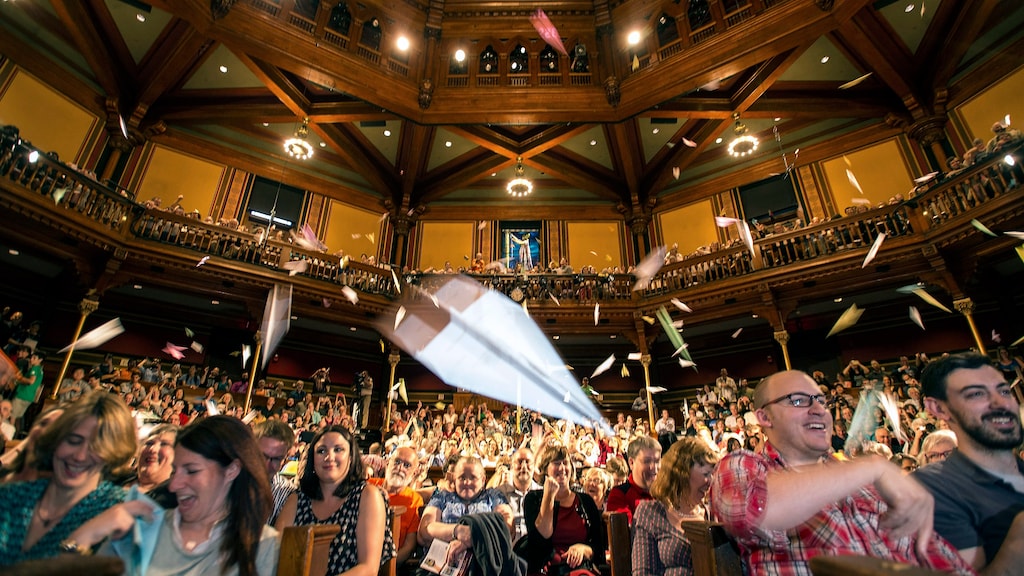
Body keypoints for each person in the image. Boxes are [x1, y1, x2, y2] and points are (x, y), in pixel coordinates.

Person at [709, 370, 973, 575]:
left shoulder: (865, 483)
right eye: (799, 400)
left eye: (822, 401)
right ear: (764, 418)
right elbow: (752, 512)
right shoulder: (743, 466)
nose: (819, 410)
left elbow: (933, 552)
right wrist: (873, 466)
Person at [68, 416, 280, 576]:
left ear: (232, 470)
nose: (174, 486)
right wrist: (87, 535)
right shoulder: (141, 526)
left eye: (192, 471)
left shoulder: (263, 545)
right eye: (175, 470)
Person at [916, 353, 1024, 575]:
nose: (1001, 403)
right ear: (938, 408)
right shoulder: (932, 488)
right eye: (976, 394)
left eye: (1004, 391)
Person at [0, 391, 136, 565]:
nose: (80, 456)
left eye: (96, 447)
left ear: (114, 453)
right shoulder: (12, 495)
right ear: (55, 440)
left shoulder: (118, 511)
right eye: (73, 440)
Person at [276, 425, 394, 575]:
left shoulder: (367, 496)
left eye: (338, 450)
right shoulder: (297, 499)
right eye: (321, 451)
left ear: (351, 458)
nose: (329, 457)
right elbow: (275, 555)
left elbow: (368, 569)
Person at [632, 437, 718, 576]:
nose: (710, 481)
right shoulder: (651, 512)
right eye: (706, 474)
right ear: (682, 473)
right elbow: (643, 572)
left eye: (712, 474)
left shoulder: (712, 514)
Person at [521, 444, 606, 576]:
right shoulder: (533, 499)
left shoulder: (585, 501)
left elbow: (598, 549)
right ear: (546, 469)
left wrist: (584, 549)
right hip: (546, 570)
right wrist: (549, 496)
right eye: (556, 463)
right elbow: (540, 539)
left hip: (580, 570)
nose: (562, 468)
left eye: (565, 463)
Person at [418, 456, 513, 547]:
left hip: (482, 558)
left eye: (473, 478)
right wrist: (458, 531)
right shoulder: (442, 497)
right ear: (455, 479)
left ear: (483, 480)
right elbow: (425, 530)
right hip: (443, 558)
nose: (467, 482)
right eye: (462, 478)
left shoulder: (493, 496)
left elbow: (506, 528)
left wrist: (470, 541)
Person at [368, 445, 424, 564]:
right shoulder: (368, 486)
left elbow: (409, 547)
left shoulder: (414, 500)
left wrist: (386, 566)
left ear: (414, 473)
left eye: (407, 465)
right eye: (397, 461)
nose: (400, 468)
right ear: (387, 464)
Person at [605, 435, 660, 523]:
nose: (654, 467)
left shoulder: (665, 494)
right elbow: (628, 533)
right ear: (631, 463)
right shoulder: (619, 494)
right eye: (647, 461)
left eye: (657, 461)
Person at [253, 418, 295, 525]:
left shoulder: (288, 493)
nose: (267, 465)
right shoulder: (229, 478)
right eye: (262, 456)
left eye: (276, 459)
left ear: (285, 459)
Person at [125, 423, 178, 506]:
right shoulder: (118, 477)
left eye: (164, 444)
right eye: (149, 443)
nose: (153, 449)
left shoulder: (173, 501)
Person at [497, 447, 541, 543]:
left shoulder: (542, 494)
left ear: (534, 467)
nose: (524, 466)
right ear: (512, 466)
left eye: (527, 462)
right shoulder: (499, 493)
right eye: (520, 462)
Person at [11, 350, 44, 433]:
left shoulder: (35, 368)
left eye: (34, 358)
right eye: (31, 357)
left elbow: (31, 381)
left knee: (12, 416)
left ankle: (9, 436)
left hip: (22, 394)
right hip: (29, 397)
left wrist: (20, 378)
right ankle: (16, 436)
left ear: (40, 360)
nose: (31, 359)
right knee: (19, 417)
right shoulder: (40, 370)